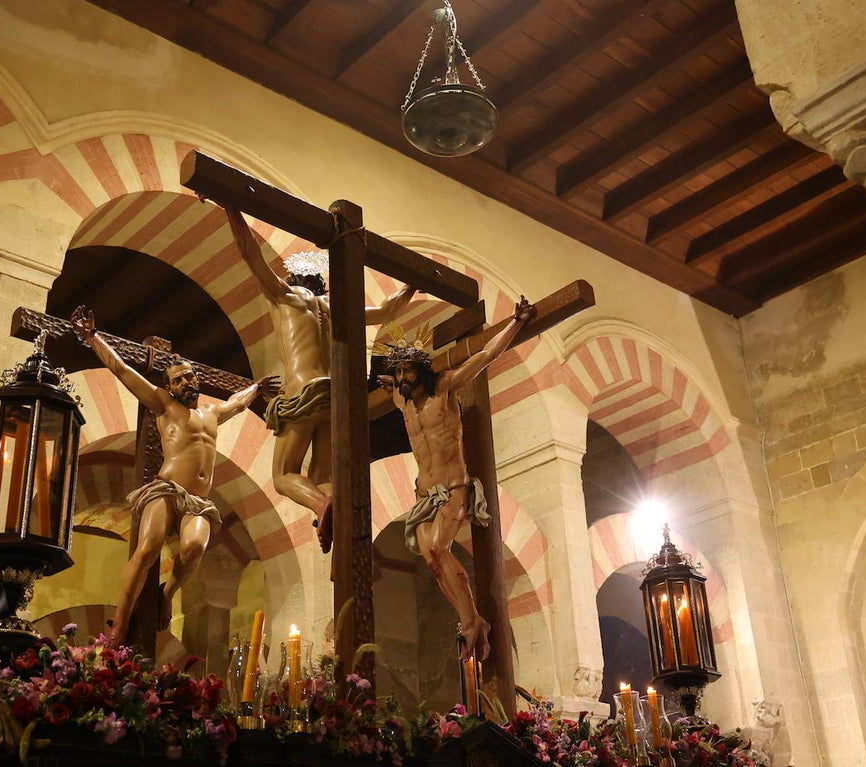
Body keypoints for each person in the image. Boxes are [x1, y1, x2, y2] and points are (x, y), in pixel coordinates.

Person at [70, 305, 277, 644]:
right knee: (147, 548)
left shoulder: (212, 413)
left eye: (189, 376)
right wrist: (93, 337)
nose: (185, 382)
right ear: (169, 386)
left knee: (194, 548)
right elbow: (122, 370)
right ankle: (119, 623)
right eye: (178, 379)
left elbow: (238, 402)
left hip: (198, 501)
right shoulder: (164, 405)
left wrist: (255, 388)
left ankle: (167, 593)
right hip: (166, 489)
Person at [227, 208, 415, 552]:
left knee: (284, 476)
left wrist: (231, 207)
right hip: (335, 397)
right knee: (323, 476)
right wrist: (412, 282)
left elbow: (249, 253)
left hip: (304, 391)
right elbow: (388, 311)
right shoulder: (335, 309)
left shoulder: (284, 295)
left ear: (294, 280)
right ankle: (339, 525)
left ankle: (321, 504)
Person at [376, 297, 536, 661]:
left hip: (453, 487)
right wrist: (390, 382)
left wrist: (516, 323)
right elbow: (393, 386)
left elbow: (486, 356)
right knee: (433, 561)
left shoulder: (444, 387)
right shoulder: (402, 402)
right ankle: (472, 619)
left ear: (422, 369)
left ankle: (470, 622)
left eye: (406, 371)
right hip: (424, 495)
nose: (401, 379)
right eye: (397, 373)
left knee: (438, 549)